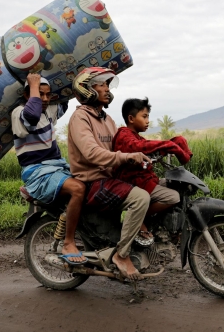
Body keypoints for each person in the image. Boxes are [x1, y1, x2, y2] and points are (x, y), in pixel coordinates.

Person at [67, 67, 151, 281]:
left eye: (107, 85)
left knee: (153, 189)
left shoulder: (106, 119)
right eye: (101, 84)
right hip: (93, 181)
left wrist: (150, 150)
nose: (106, 89)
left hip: (108, 179)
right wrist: (125, 157)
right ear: (86, 89)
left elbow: (121, 144)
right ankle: (122, 256)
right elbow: (92, 153)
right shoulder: (80, 118)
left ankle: (141, 241)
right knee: (141, 198)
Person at [11, 73, 87, 265]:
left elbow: (66, 100)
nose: (45, 99)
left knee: (95, 179)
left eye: (48, 95)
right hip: (37, 172)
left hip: (56, 167)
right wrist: (34, 84)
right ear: (27, 95)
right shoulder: (19, 113)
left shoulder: (48, 110)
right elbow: (32, 116)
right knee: (78, 189)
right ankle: (68, 242)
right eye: (40, 94)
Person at [112, 97, 193, 243]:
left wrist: (175, 143)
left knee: (178, 187)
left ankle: (170, 228)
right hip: (132, 183)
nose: (148, 120)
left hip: (145, 181)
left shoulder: (135, 136)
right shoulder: (124, 136)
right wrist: (168, 145)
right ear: (131, 118)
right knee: (173, 197)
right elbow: (138, 147)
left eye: (148, 116)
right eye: (144, 116)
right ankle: (138, 219)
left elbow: (149, 147)